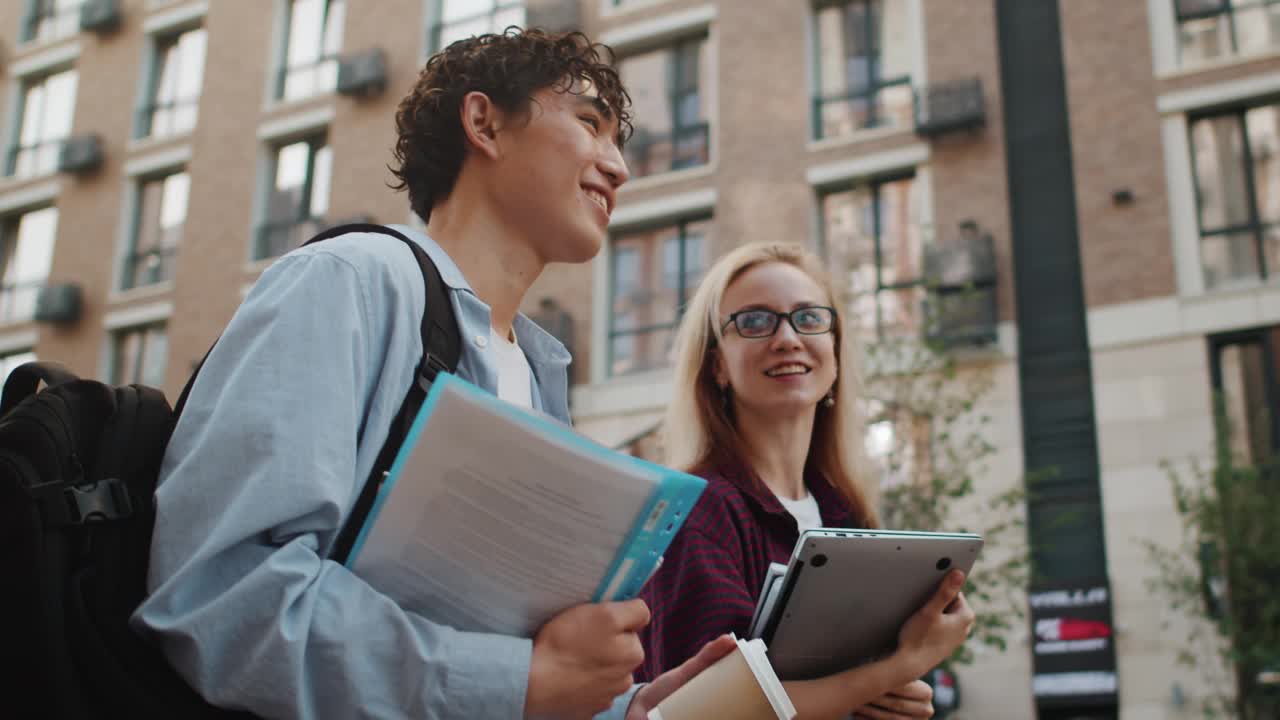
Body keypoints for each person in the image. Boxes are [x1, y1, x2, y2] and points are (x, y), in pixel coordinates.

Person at [131, 29, 735, 720]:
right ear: (483, 123)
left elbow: (502, 651)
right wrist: (518, 683)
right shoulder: (348, 283)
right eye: (591, 124)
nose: (619, 167)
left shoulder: (539, 376)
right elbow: (222, 598)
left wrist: (621, 708)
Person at [636, 242, 976, 719]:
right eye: (755, 321)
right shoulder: (700, 510)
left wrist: (893, 700)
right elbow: (701, 712)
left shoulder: (848, 517)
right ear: (717, 365)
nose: (788, 338)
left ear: (834, 352)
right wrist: (895, 669)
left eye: (809, 318)